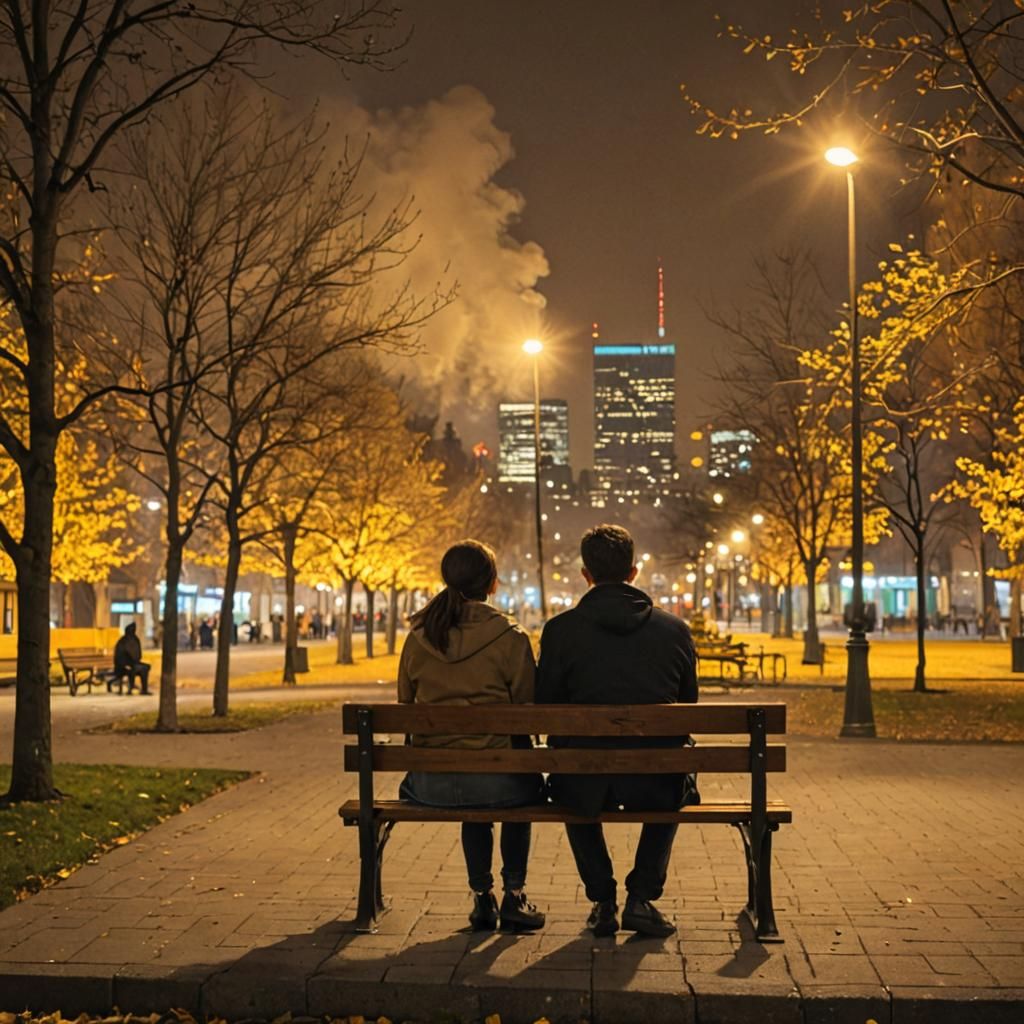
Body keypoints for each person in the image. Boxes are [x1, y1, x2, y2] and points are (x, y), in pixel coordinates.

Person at [537, 524, 699, 939]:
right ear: (634, 571)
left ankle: (602, 900)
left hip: (583, 783)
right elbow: (689, 706)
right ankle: (641, 898)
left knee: (571, 775)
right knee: (678, 776)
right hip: (655, 783)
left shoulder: (560, 631)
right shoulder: (675, 631)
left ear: (585, 574)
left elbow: (545, 708)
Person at [398, 540, 546, 933]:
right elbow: (529, 710)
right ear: (493, 584)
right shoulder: (510, 637)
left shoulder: (418, 638)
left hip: (430, 785)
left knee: (473, 790)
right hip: (502, 783)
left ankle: (483, 899)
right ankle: (514, 895)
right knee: (515, 785)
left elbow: (405, 706)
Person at [114, 622, 151, 696]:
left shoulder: (136, 640)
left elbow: (139, 654)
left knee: (145, 667)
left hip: (134, 663)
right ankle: (130, 688)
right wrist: (125, 664)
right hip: (123, 666)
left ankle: (144, 689)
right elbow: (119, 657)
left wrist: (136, 660)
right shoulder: (122, 641)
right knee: (133, 669)